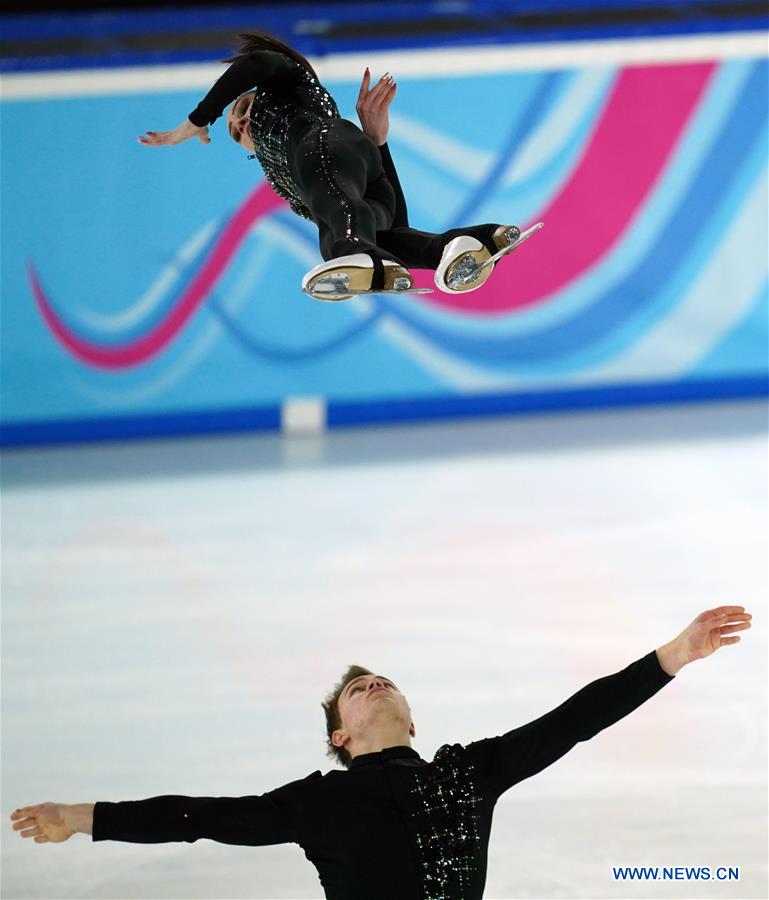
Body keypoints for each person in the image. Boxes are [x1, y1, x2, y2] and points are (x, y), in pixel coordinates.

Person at [10, 606, 751, 899]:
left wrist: (670, 656)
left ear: (411, 719)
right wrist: (85, 817)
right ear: (340, 736)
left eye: (383, 681)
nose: (374, 685)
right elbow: (195, 815)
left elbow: (574, 720)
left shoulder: (467, 773)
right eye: (358, 690)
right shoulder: (317, 802)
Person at [137, 32, 523, 301]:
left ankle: (358, 251)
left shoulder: (291, 85)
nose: (240, 124)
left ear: (256, 93)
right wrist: (379, 142)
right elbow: (394, 223)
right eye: (236, 133)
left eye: (240, 109)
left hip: (327, 145)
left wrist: (202, 116)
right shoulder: (287, 179)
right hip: (362, 169)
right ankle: (461, 245)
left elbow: (256, 62)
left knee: (344, 243)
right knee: (371, 239)